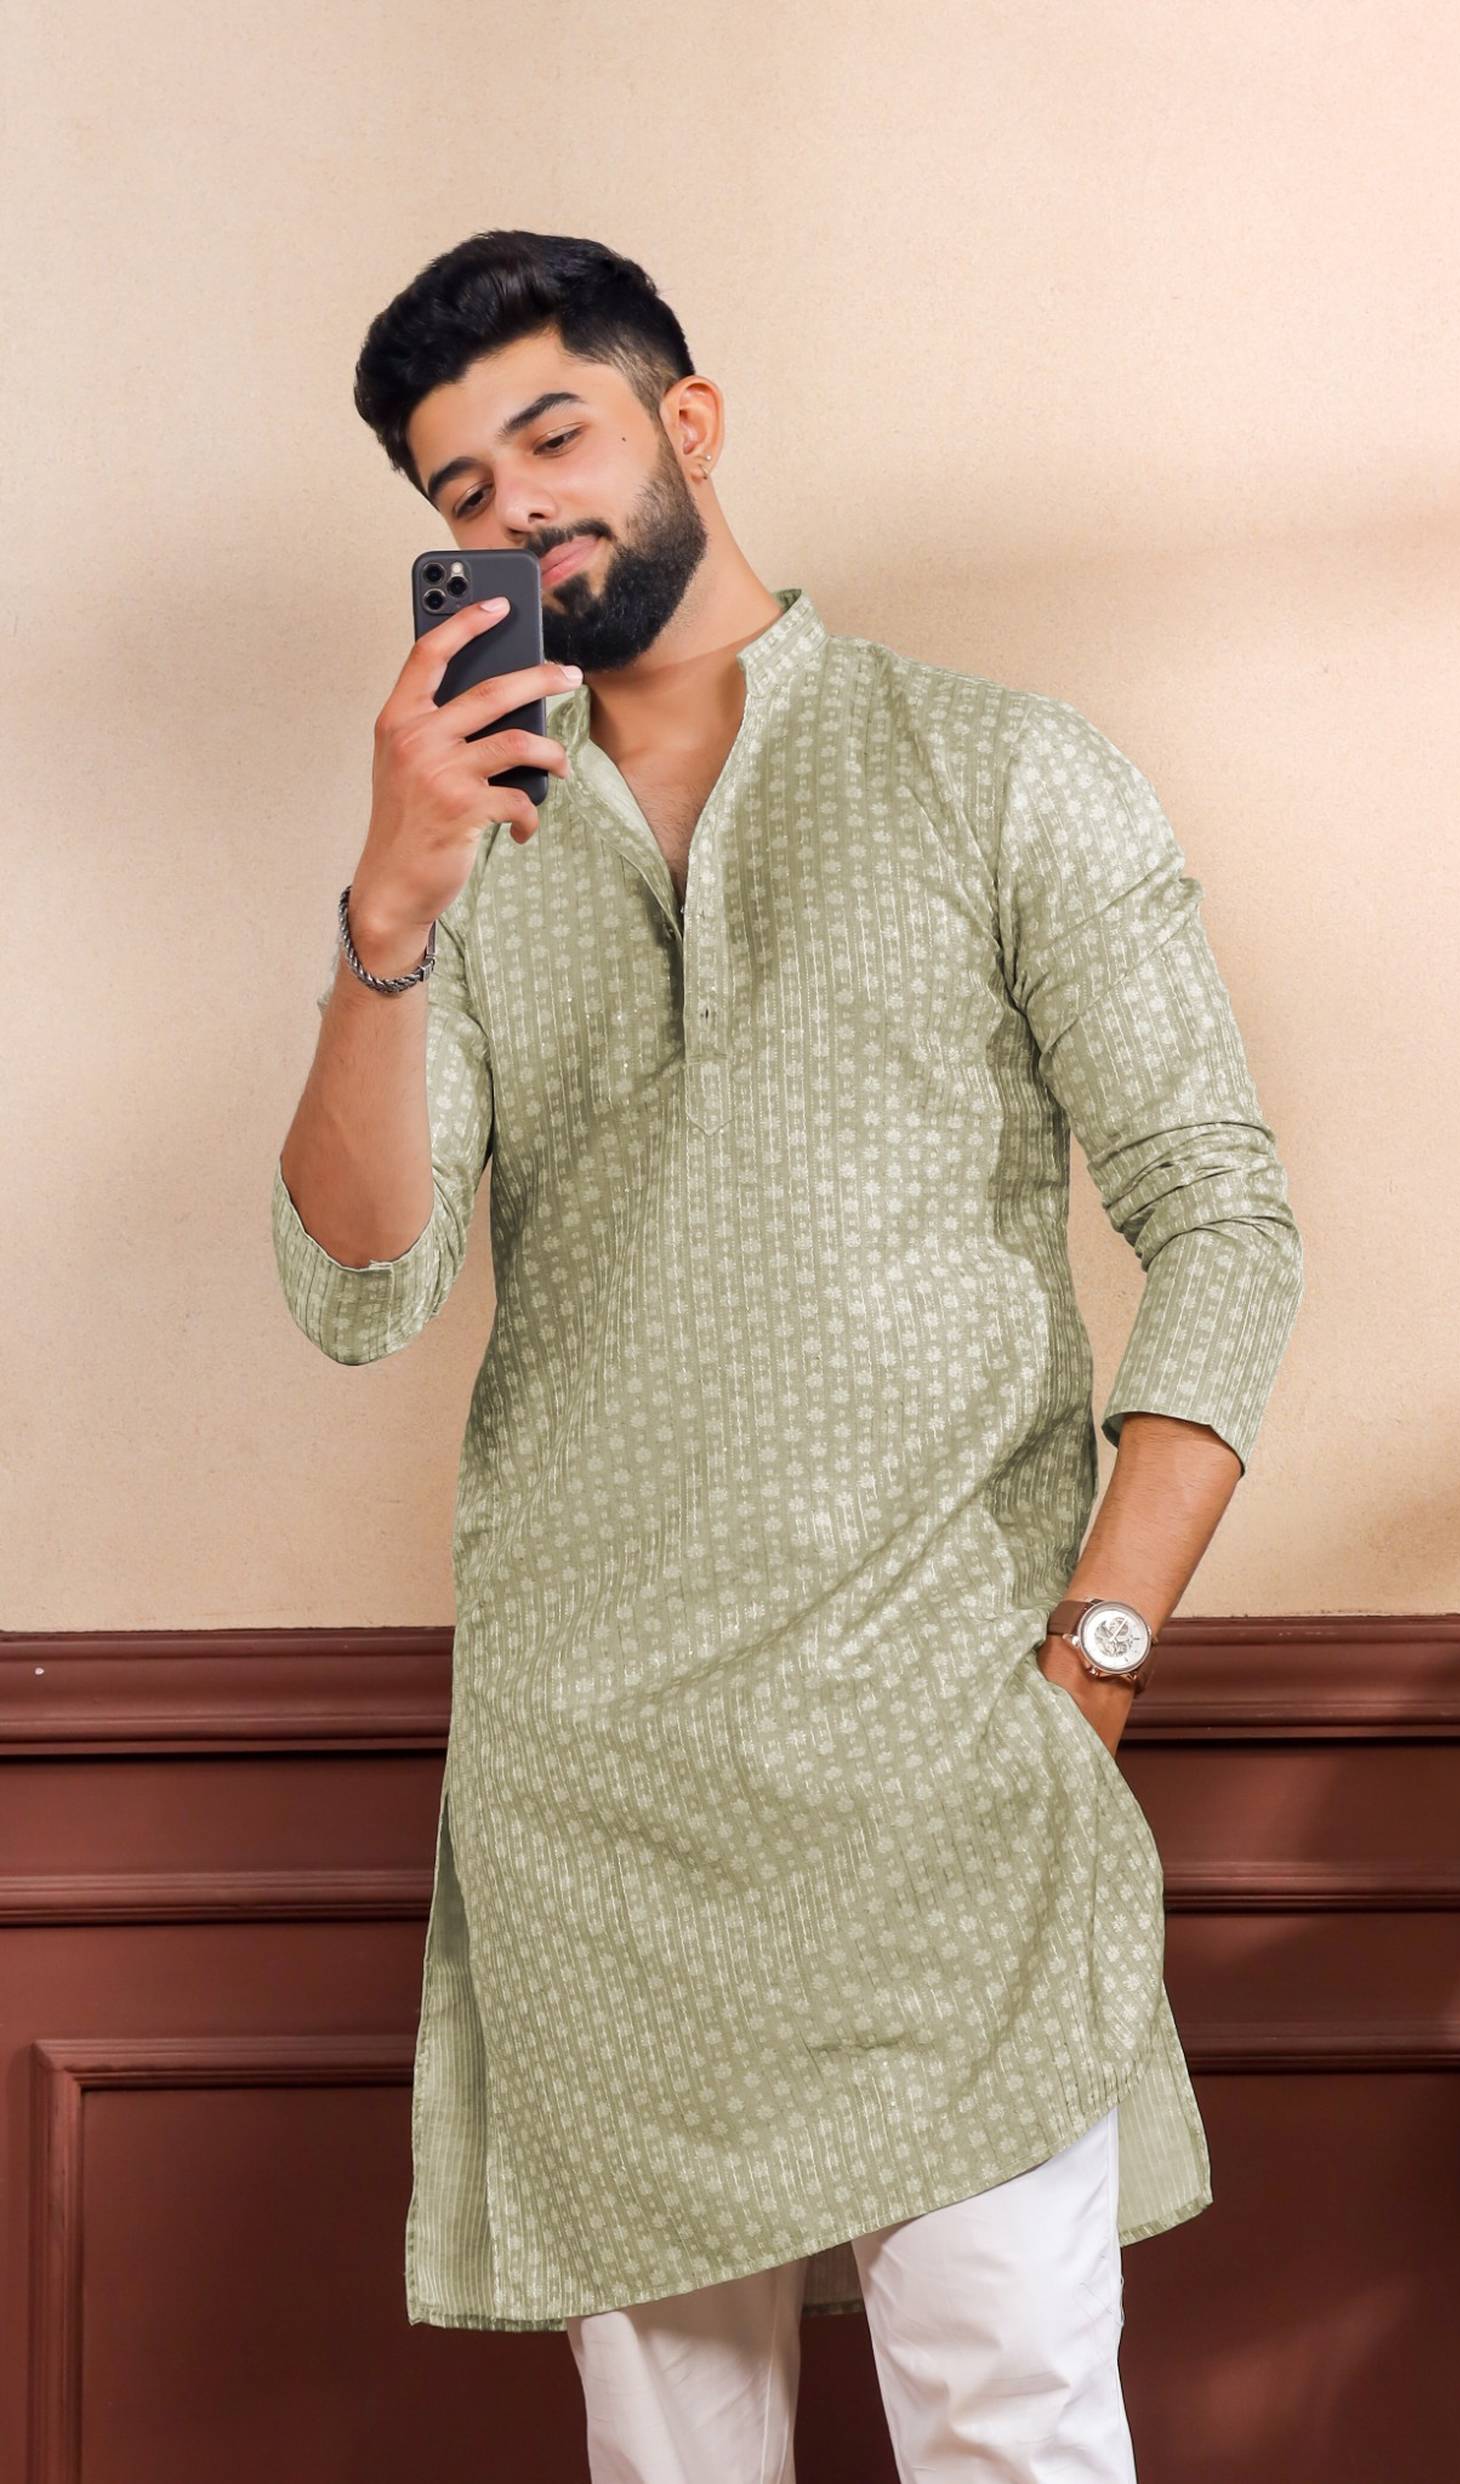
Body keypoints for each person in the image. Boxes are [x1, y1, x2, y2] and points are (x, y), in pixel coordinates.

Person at [271, 229, 1305, 2482]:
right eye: (463, 489)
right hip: (597, 1813)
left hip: (952, 1786)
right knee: (673, 2465)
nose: (521, 507)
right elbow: (357, 1285)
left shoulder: (995, 768)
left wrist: (1097, 1661)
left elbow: (1226, 1220)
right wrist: (390, 912)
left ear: (688, 422)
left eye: (555, 434)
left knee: (1015, 2427)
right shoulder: (465, 850)